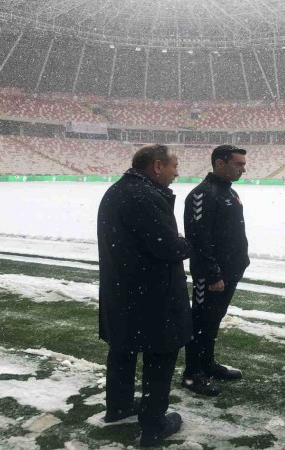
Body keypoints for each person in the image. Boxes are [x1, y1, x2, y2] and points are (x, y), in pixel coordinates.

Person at [97, 144, 191, 447]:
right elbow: (166, 248)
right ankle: (153, 426)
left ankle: (119, 406)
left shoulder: (118, 190)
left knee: (123, 350)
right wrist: (185, 243)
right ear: (158, 166)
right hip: (152, 295)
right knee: (160, 357)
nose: (177, 173)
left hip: (122, 290)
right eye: (174, 166)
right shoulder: (145, 196)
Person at [182, 144, 249, 396]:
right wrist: (212, 274)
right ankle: (192, 374)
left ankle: (207, 365)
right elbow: (198, 238)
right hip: (212, 276)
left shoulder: (228, 193)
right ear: (220, 163)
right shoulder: (203, 194)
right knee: (200, 322)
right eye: (238, 163)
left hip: (229, 272)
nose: (243, 168)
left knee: (213, 321)